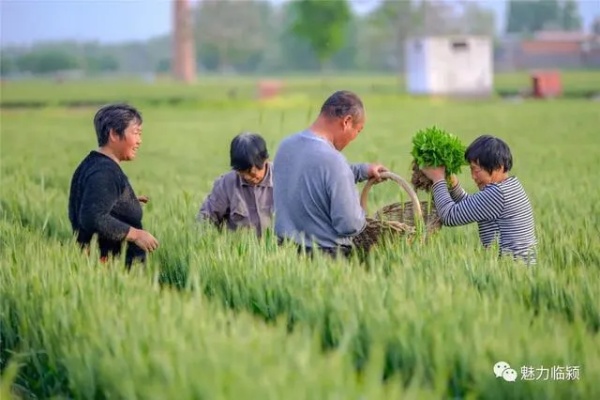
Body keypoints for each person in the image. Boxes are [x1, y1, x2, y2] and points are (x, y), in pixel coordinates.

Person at [273, 90, 388, 259]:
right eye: (358, 130)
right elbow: (349, 225)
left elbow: (316, 174)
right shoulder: (334, 160)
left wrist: (363, 170)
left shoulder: (285, 146)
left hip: (285, 253)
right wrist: (365, 218)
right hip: (326, 258)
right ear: (347, 122)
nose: (355, 137)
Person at [421, 134, 537, 265]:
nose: (473, 177)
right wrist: (453, 186)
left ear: (498, 167)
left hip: (511, 270)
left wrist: (438, 179)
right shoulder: (510, 186)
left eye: (476, 170)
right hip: (519, 269)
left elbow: (449, 216)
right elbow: (473, 207)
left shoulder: (498, 193)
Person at [68, 103, 159, 268]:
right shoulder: (104, 172)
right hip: (111, 269)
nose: (140, 141)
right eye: (136, 133)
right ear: (114, 134)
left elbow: (94, 199)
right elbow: (93, 217)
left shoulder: (93, 164)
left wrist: (123, 201)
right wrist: (136, 234)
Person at [197, 132, 273, 238]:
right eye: (242, 172)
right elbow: (206, 218)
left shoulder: (284, 179)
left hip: (280, 251)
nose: (247, 177)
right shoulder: (226, 184)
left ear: (266, 160)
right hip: (239, 251)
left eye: (252, 173)